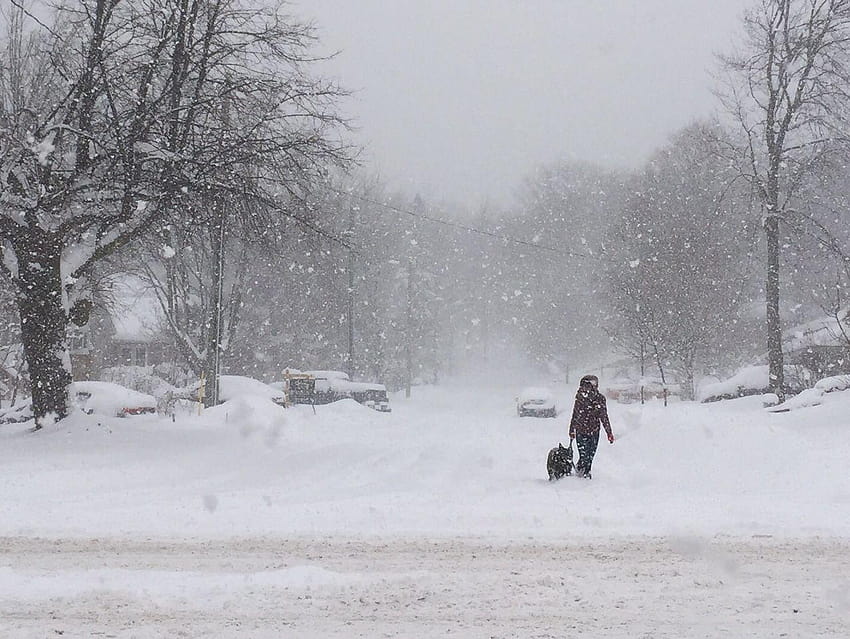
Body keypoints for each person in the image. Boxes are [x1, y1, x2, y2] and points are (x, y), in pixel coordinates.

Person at [568, 374, 614, 479]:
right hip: (581, 430)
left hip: (594, 431)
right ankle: (585, 474)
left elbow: (604, 416)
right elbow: (575, 414)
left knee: (590, 456)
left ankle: (582, 470)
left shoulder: (600, 398)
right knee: (585, 455)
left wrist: (609, 432)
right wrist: (572, 429)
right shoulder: (580, 397)